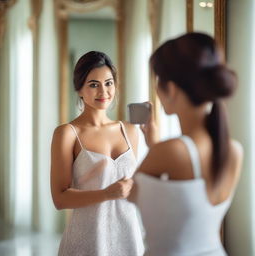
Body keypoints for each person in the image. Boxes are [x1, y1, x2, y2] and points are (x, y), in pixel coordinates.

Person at [130, 32, 243, 256]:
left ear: (170, 89)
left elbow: (130, 193)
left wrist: (156, 147)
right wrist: (156, 146)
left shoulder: (172, 151)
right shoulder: (234, 150)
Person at [50, 51, 144, 256]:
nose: (104, 91)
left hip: (129, 237)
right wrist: (106, 194)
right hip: (87, 240)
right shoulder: (67, 133)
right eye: (93, 84)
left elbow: (133, 187)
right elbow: (60, 198)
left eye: (109, 83)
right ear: (79, 88)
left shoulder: (130, 131)